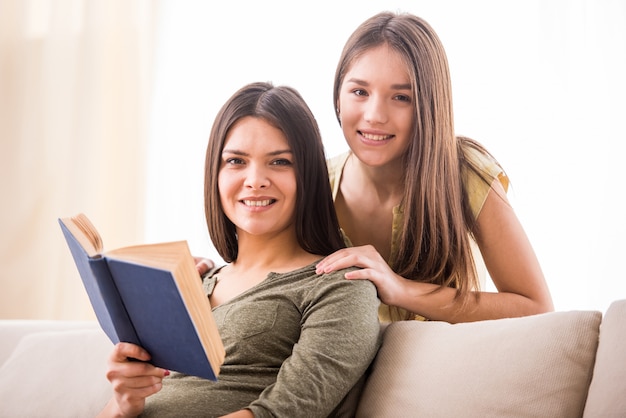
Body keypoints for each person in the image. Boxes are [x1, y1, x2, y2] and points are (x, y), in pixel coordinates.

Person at [197, 11, 554, 324]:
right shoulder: (317, 180)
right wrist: (207, 281)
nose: (375, 116)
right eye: (359, 92)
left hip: (439, 369)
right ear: (337, 98)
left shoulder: (461, 173)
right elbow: (266, 265)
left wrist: (401, 290)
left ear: (428, 107)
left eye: (401, 97)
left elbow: (536, 307)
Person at [98, 82, 381, 418]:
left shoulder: (339, 285)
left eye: (279, 162)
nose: (255, 180)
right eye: (236, 161)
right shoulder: (196, 282)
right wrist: (123, 402)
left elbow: (282, 413)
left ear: (307, 175)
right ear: (215, 175)